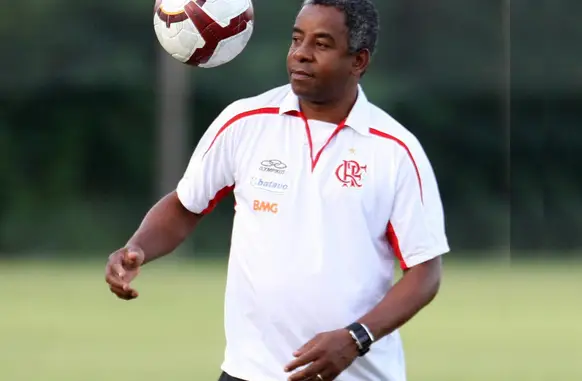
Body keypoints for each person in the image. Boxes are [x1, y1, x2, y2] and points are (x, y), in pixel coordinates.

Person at [104, 0, 450, 380]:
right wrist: (137, 247)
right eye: (297, 39)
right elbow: (186, 206)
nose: (301, 54)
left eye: (321, 44)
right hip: (249, 372)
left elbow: (424, 272)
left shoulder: (396, 151)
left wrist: (356, 338)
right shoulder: (245, 122)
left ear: (358, 61)